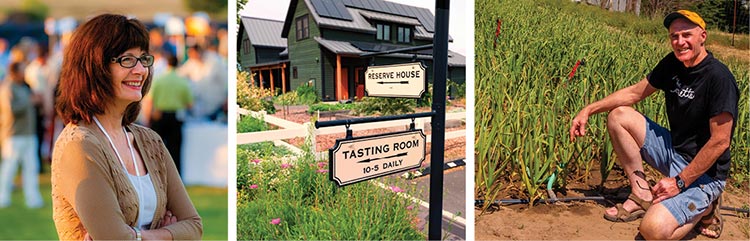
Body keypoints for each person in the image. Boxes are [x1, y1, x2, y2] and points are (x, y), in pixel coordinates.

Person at [569, 10, 738, 240]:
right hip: (674, 151)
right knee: (619, 116)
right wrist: (589, 109)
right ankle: (641, 196)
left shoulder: (719, 78)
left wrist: (679, 183)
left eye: (686, 35)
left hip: (705, 173)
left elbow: (720, 142)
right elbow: (635, 92)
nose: (680, 42)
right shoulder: (673, 63)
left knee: (652, 230)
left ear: (703, 36)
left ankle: (707, 208)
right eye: (674, 36)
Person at [51, 14, 202, 240]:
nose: (141, 70)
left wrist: (141, 235)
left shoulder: (150, 141)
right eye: (127, 60)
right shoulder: (79, 145)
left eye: (143, 58)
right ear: (94, 67)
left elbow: (194, 227)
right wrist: (168, 233)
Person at [0, 61, 44, 209]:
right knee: (10, 167)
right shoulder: (8, 88)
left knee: (31, 167)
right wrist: (29, 102)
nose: (24, 73)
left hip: (29, 133)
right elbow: (11, 110)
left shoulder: (24, 87)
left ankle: (33, 199)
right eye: (22, 70)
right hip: (14, 134)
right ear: (14, 72)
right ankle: (3, 197)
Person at [147, 53, 193, 175]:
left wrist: (148, 118)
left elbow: (150, 101)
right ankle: (176, 177)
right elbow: (190, 104)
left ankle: (156, 174)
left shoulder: (159, 80)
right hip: (176, 117)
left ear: (167, 64)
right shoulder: (182, 82)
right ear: (178, 65)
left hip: (159, 115)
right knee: (175, 150)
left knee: (155, 149)